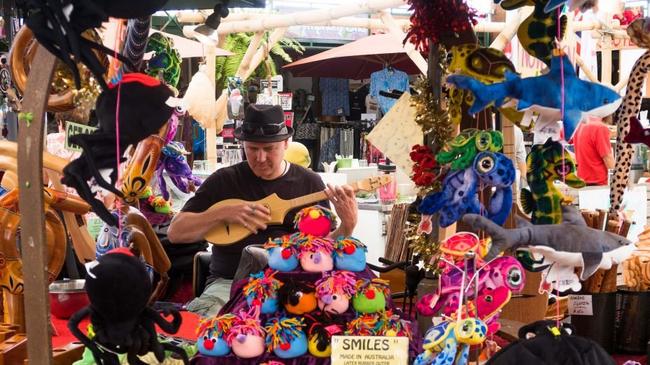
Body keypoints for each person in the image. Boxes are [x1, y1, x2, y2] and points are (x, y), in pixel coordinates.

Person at [167, 104, 358, 317]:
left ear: (286, 144)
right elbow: (175, 233)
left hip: (292, 284)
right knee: (204, 330)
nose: (260, 158)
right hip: (229, 284)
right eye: (252, 149)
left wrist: (347, 226)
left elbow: (324, 250)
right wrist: (223, 213)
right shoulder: (223, 181)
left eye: (269, 149)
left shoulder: (309, 182)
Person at [571, 115, 615, 186]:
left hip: (582, 181)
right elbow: (608, 157)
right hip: (598, 182)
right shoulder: (600, 127)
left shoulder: (580, 124)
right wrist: (620, 179)